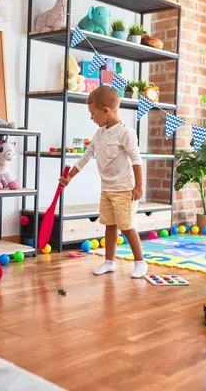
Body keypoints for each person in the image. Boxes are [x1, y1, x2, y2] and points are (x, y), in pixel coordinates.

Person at [59, 86, 147, 278]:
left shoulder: (125, 133)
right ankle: (109, 262)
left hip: (125, 190)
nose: (92, 118)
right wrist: (70, 176)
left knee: (126, 226)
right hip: (107, 189)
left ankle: (140, 262)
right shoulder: (99, 135)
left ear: (106, 110)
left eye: (93, 113)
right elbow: (86, 156)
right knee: (109, 225)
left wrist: (139, 186)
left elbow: (136, 159)